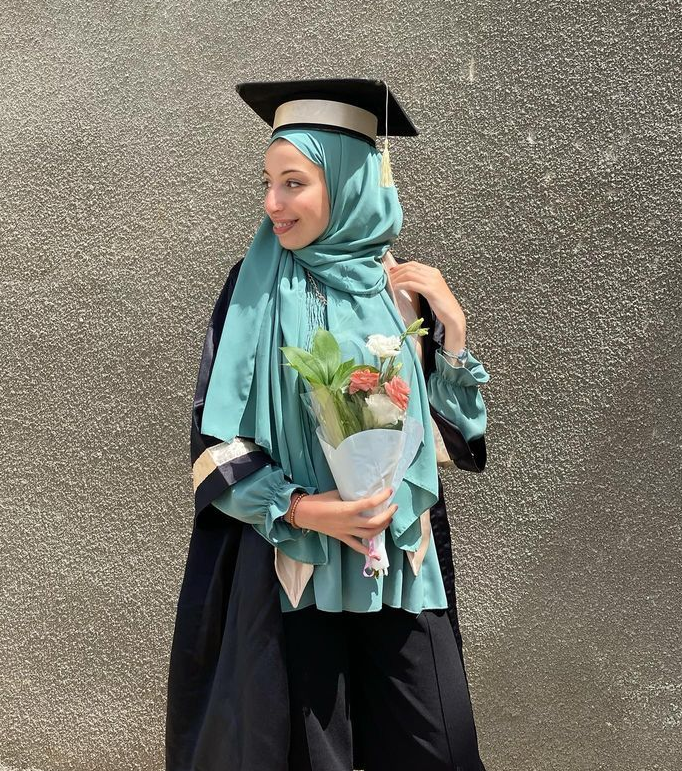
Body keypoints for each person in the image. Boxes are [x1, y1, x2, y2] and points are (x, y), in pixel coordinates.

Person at [166, 79, 490, 771]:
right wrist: (304, 507)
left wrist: (454, 336)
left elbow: (454, 442)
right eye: (267, 182)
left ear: (347, 183)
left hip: (400, 563)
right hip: (297, 566)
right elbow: (212, 442)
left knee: (436, 745)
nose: (271, 203)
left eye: (293, 183)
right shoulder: (249, 289)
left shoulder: (401, 288)